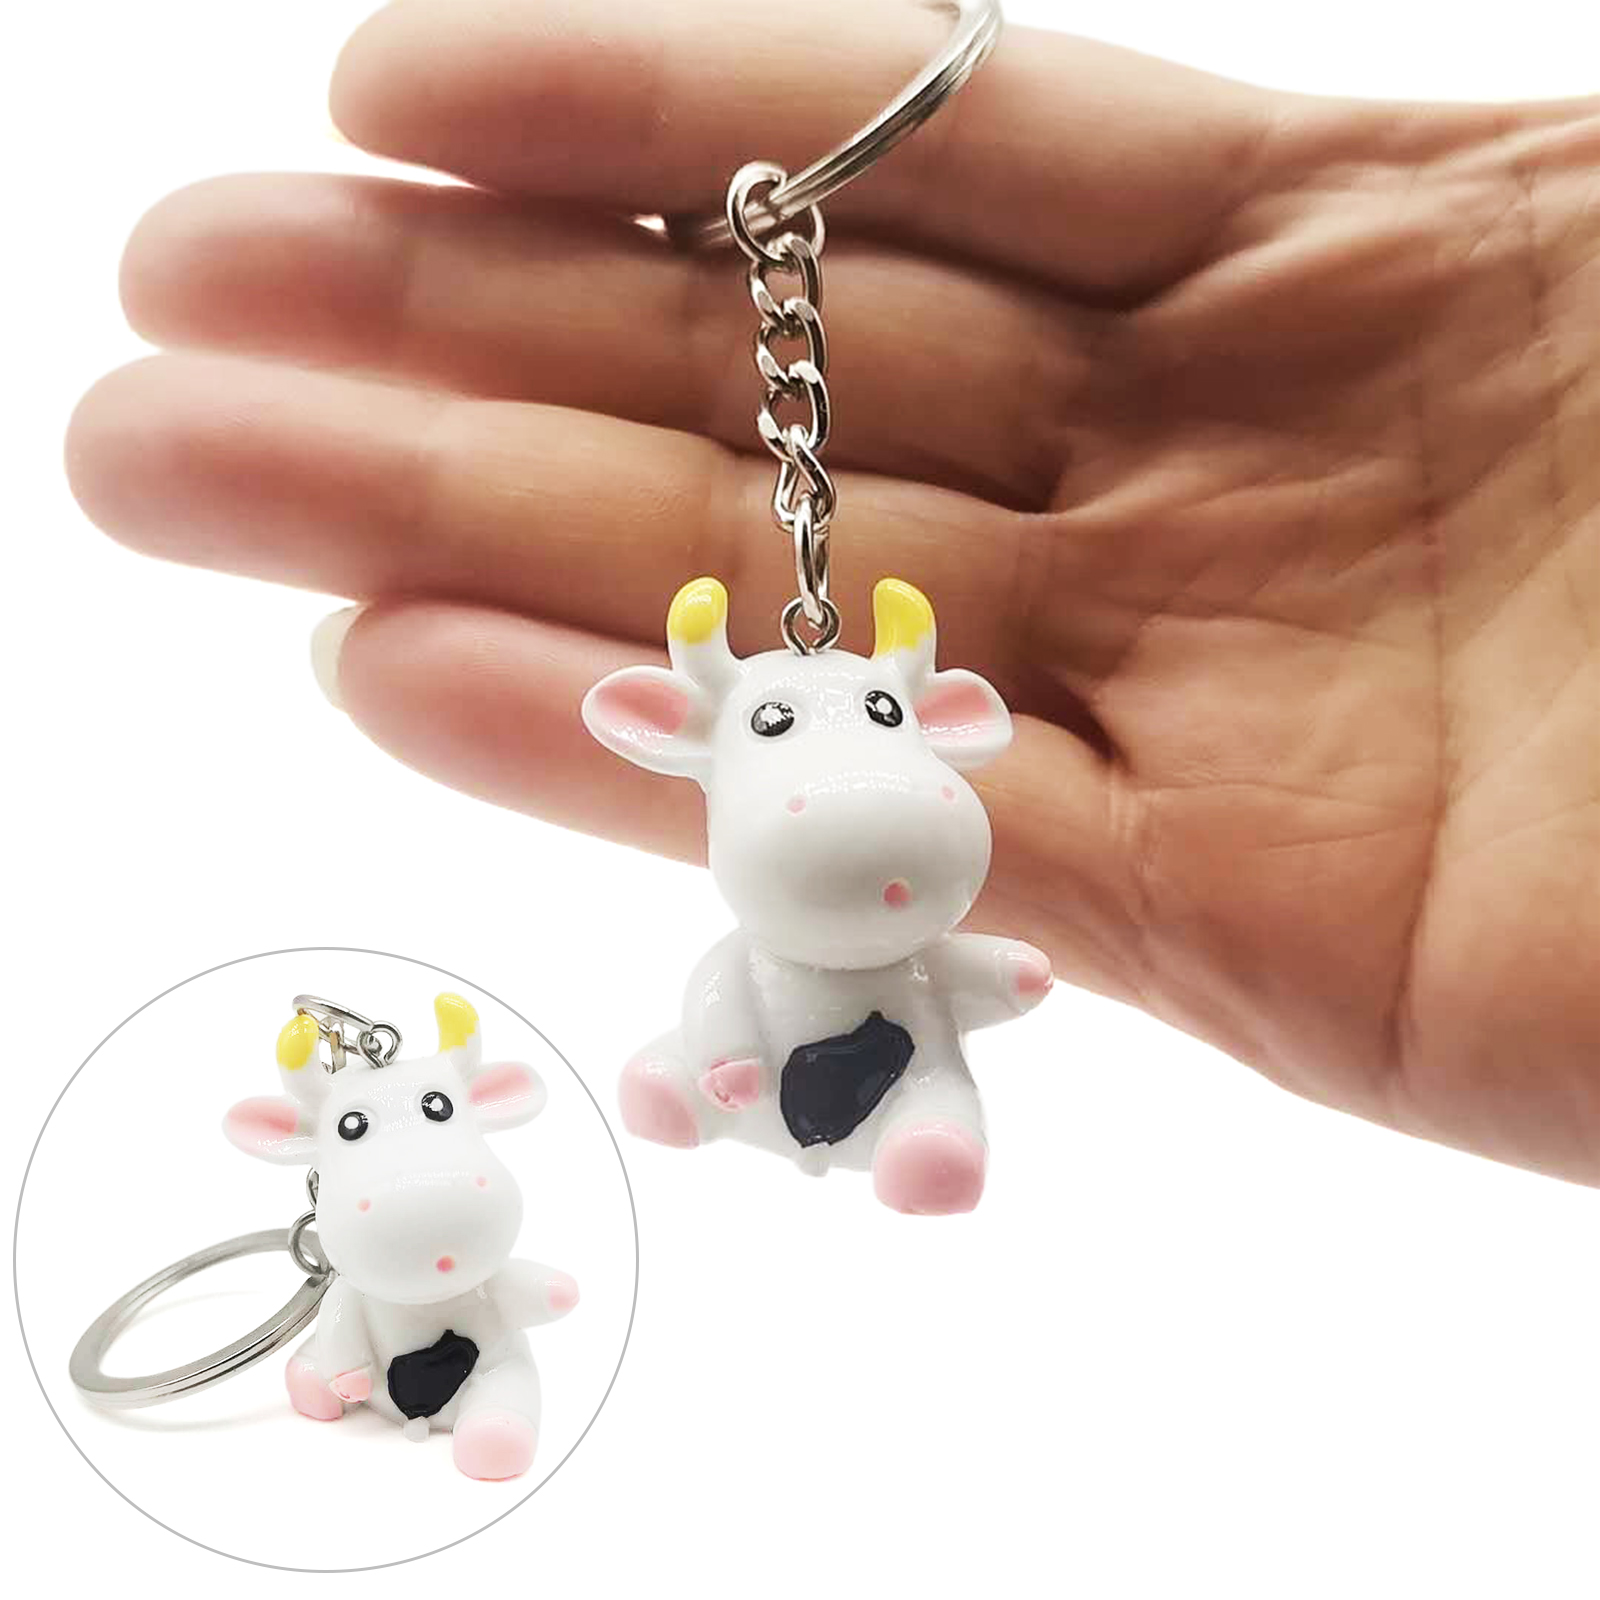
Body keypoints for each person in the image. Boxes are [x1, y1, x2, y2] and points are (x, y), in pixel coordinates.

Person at [64, 2, 1598, 1183]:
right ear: (681, 734)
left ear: (946, 718)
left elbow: (979, 976)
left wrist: (999, 975)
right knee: (722, 1035)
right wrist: (775, 1037)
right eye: (799, 731)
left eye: (880, 718)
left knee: (928, 1092)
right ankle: (699, 1088)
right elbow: (860, 973)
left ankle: (921, 1144)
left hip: (900, 1055)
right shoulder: (770, 910)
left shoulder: (920, 899)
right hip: (764, 1048)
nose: (860, 775)